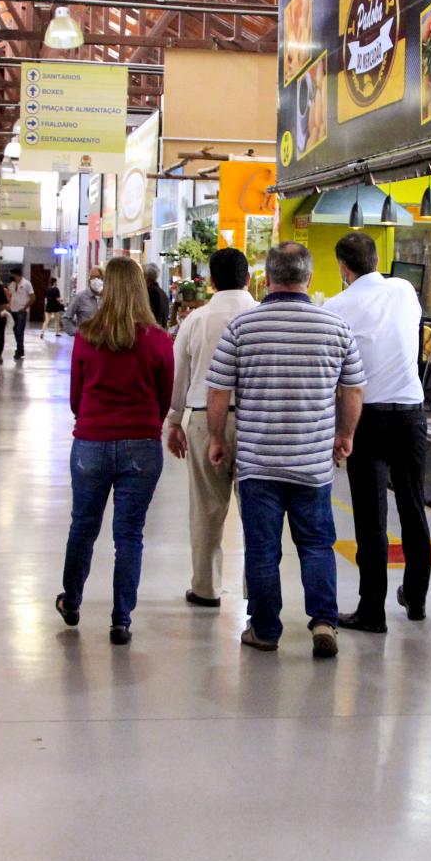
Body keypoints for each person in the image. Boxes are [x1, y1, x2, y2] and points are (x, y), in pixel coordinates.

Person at [206, 242, 366, 659]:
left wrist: (217, 438)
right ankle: (324, 622)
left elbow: (218, 390)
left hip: (259, 462)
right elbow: (354, 387)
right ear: (309, 278)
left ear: (267, 278)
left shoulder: (243, 327)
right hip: (312, 463)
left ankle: (264, 629)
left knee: (262, 549)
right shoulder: (335, 326)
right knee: (316, 544)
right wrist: (345, 434)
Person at [56, 256, 174, 646]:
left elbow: (76, 398)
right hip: (142, 447)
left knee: (83, 526)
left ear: (105, 289)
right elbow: (163, 398)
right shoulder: (159, 341)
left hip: (91, 442)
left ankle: (72, 601)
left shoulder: (86, 336)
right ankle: (120, 620)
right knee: (129, 534)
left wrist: (95, 419)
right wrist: (144, 426)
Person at [326, 233, 431, 632]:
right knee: (412, 506)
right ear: (376, 259)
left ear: (343, 267)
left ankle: (372, 610)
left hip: (366, 418)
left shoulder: (335, 306)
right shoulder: (404, 290)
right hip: (410, 414)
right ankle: (417, 598)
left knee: (371, 517)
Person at [166, 248, 256, 608]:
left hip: (204, 419)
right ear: (248, 278)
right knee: (256, 512)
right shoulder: (261, 315)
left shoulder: (196, 320)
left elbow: (179, 375)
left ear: (212, 282)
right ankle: (257, 591)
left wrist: (175, 421)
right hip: (255, 422)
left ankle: (206, 588)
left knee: (206, 508)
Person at [5, 266, 35, 361]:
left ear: (17, 275)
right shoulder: (12, 284)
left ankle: (19, 350)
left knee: (19, 331)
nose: (12, 277)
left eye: (13, 275)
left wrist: (25, 308)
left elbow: (32, 297)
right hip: (13, 310)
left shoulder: (26, 284)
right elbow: (9, 296)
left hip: (21, 311)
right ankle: (20, 349)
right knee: (15, 331)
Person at [144, 263, 169, 328]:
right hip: (161, 331)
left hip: (153, 332)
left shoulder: (150, 292)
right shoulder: (162, 292)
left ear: (146, 276)